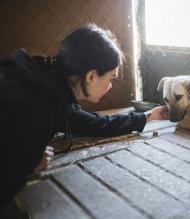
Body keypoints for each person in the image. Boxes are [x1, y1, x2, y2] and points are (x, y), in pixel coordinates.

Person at [0, 24, 169, 207]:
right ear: (91, 76)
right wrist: (27, 165)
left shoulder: (49, 87)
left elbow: (92, 124)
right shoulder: (37, 106)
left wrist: (148, 116)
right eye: (111, 78)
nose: (110, 86)